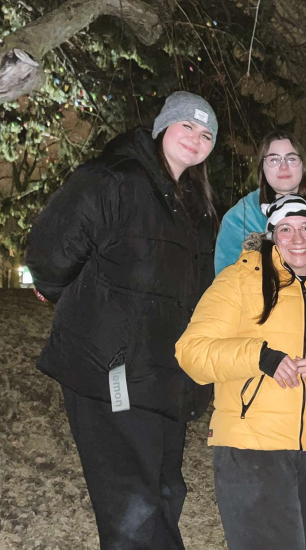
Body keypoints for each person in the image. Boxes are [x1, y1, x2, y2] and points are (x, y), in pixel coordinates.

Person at [25, 91, 219, 549]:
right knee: (131, 509)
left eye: (206, 133)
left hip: (165, 376)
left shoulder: (197, 207)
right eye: (186, 126)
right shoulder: (113, 179)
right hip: (108, 369)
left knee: (168, 492)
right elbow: (51, 251)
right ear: (162, 127)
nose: (195, 139)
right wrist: (62, 295)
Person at [175, 193, 306, 550]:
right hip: (253, 448)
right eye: (286, 229)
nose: (298, 239)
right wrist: (260, 357)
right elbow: (191, 353)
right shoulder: (239, 279)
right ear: (272, 235)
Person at [214, 130, 306, 275]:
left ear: (303, 165)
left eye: (291, 159)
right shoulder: (240, 218)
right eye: (274, 160)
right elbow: (227, 279)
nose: (283, 166)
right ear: (262, 168)